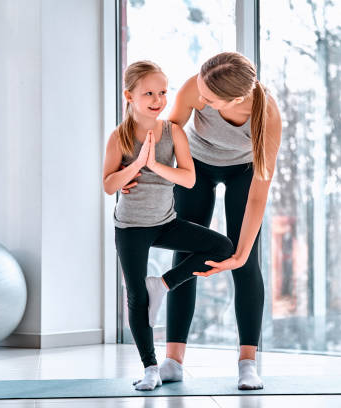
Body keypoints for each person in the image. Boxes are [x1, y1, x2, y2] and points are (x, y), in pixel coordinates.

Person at [121, 52, 282, 390]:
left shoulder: (266, 115)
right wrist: (136, 168)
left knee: (245, 260)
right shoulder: (197, 85)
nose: (200, 98)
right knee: (187, 254)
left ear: (236, 99)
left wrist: (239, 254)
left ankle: (248, 363)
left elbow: (258, 195)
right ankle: (173, 361)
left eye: (209, 99)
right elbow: (170, 132)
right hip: (196, 166)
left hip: (243, 172)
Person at [103, 60, 234, 391]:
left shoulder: (173, 132)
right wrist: (135, 166)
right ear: (129, 96)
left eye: (162, 92)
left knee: (222, 247)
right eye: (149, 92)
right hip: (130, 227)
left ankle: (162, 283)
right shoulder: (118, 136)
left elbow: (188, 178)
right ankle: (150, 368)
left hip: (165, 223)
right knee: (136, 297)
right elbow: (108, 184)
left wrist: (154, 165)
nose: (158, 99)